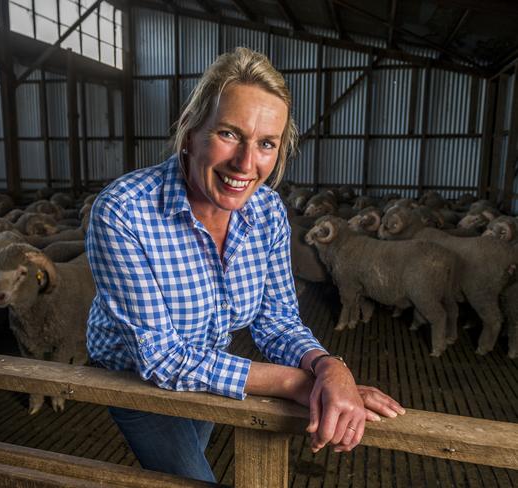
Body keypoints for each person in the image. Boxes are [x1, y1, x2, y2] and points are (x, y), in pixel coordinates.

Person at [85, 47, 404, 483]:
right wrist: (301, 383)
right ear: (191, 131)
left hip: (212, 364)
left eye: (266, 144)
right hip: (134, 378)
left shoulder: (268, 211)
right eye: (229, 134)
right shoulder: (123, 212)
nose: (245, 164)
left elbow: (276, 322)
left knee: (185, 466)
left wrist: (330, 367)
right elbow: (159, 358)